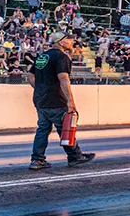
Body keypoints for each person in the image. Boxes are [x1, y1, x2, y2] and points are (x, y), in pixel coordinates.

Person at [27, 31, 95, 170]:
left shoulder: (42, 56)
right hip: (56, 99)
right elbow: (63, 78)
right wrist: (70, 101)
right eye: (69, 39)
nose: (72, 42)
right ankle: (74, 156)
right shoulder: (61, 57)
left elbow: (30, 76)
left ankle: (37, 160)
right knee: (64, 129)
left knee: (42, 129)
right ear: (60, 42)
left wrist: (40, 89)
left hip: (40, 100)